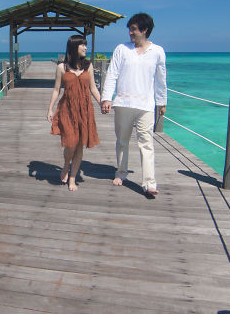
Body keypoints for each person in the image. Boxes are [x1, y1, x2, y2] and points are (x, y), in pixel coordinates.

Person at [100, 13, 167, 196]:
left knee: (147, 143)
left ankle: (149, 183)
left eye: (134, 29)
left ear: (144, 30)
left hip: (145, 105)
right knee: (122, 141)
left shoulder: (157, 51)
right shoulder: (122, 49)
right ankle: (121, 173)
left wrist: (161, 102)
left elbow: (161, 80)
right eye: (129, 29)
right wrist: (106, 98)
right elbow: (112, 74)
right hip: (123, 103)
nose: (130, 32)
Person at [46, 35, 102, 191]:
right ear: (73, 47)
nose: (85, 47)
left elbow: (93, 88)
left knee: (79, 146)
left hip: (85, 110)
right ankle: (66, 165)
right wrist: (50, 108)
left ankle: (72, 178)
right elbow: (57, 90)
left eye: (85, 45)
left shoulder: (88, 66)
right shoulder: (61, 68)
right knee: (70, 143)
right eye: (82, 45)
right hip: (68, 109)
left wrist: (102, 102)